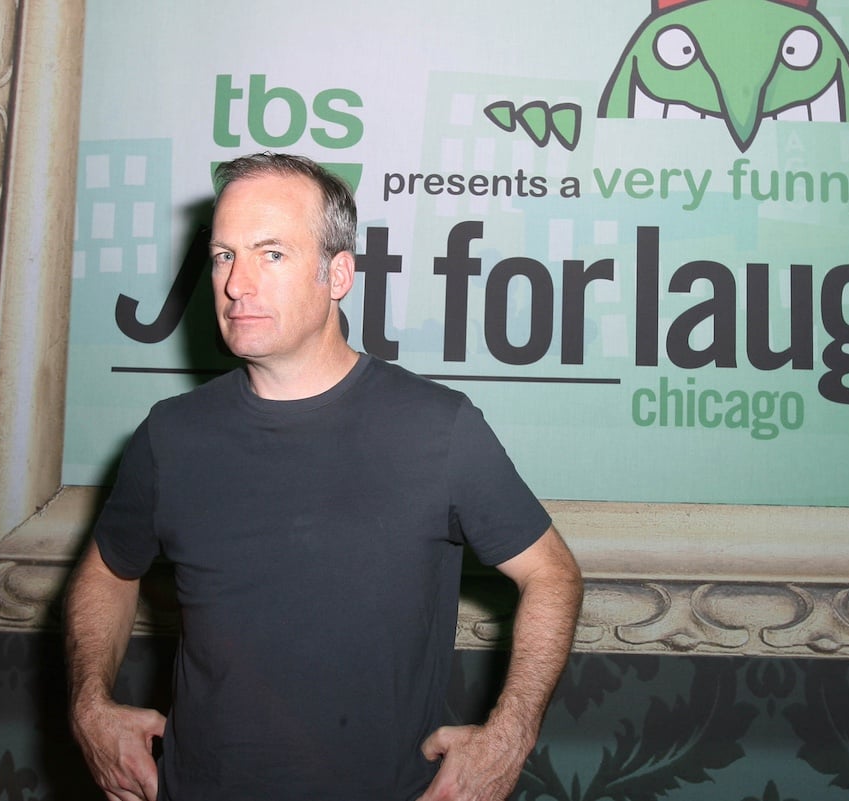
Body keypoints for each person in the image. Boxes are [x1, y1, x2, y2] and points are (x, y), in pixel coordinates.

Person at [64, 152, 583, 801]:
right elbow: (109, 568)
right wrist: (90, 706)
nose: (235, 283)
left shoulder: (437, 428)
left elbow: (553, 573)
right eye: (224, 255)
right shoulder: (171, 436)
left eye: (270, 254)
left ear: (337, 273)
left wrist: (508, 735)